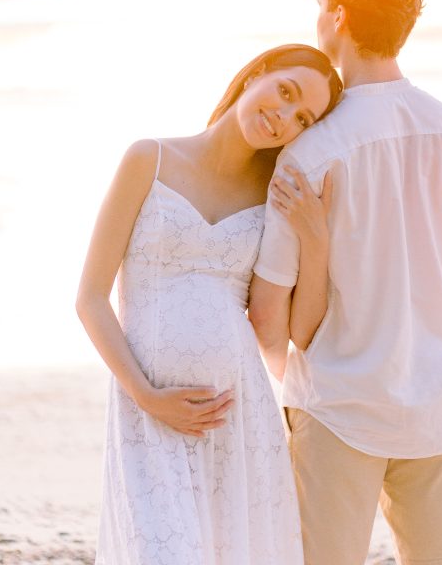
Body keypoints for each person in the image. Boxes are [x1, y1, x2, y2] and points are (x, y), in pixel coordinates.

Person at [249, 0, 442, 565]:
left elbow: (268, 320)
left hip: (337, 410)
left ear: (336, 16)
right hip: (439, 406)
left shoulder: (310, 153)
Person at [76, 43, 342, 565]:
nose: (283, 117)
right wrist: (146, 396)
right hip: (148, 414)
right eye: (285, 92)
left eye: (302, 118)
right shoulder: (148, 158)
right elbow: (90, 297)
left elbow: (293, 327)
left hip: (237, 418)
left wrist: (316, 238)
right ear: (256, 74)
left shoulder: (274, 196)